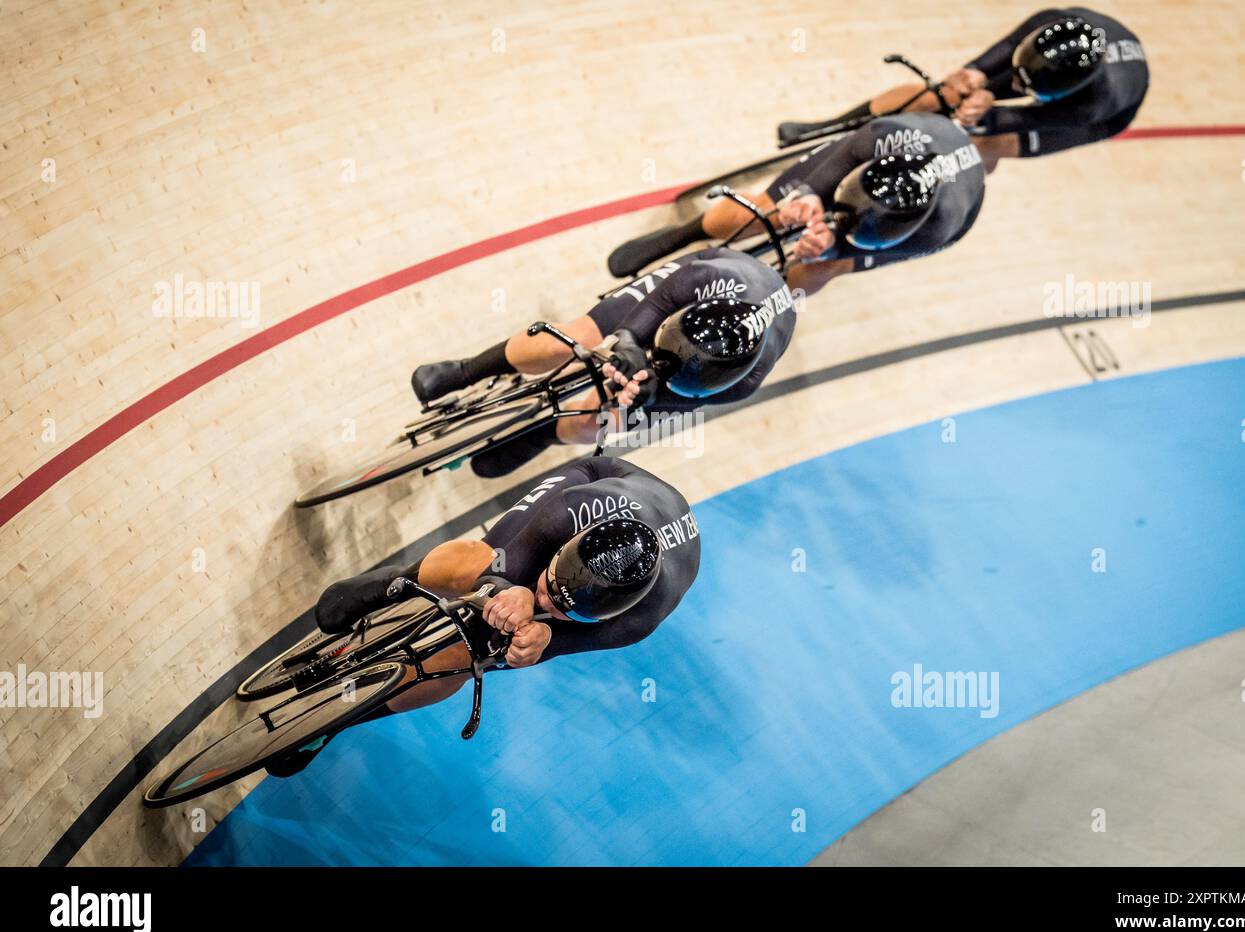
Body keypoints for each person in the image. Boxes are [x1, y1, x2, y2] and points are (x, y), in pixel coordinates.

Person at [269, 456, 701, 776]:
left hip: (632, 571)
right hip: (603, 477)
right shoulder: (571, 510)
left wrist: (540, 638)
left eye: (562, 610)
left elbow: (555, 641)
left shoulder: (637, 621)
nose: (544, 602)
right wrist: (509, 588)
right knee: (480, 560)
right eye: (548, 586)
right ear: (563, 551)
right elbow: (501, 571)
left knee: (472, 652)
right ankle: (391, 582)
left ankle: (337, 721)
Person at [411, 247, 797, 478]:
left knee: (607, 420)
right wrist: (628, 345)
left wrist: (639, 396)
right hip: (684, 296)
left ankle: (543, 432)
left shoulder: (744, 382)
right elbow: (655, 308)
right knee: (576, 338)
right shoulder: (709, 275)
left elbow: (655, 404)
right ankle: (466, 370)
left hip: (711, 355)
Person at [608, 112, 985, 293]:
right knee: (766, 212)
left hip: (945, 214)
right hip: (910, 140)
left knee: (822, 266)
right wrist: (804, 200)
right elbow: (814, 184)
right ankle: (681, 234)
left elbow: (842, 251)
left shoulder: (938, 229)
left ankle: (760, 300)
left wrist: (824, 247)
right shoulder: (881, 138)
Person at [783, 9, 1148, 175]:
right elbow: (995, 57)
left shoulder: (1093, 106)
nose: (1016, 86)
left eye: (1026, 85)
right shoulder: (1049, 23)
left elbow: (1020, 117)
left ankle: (932, 181)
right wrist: (973, 78)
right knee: (940, 94)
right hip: (1054, 68)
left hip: (1103, 115)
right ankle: (823, 127)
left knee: (989, 142)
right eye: (1018, 78)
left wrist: (977, 118)